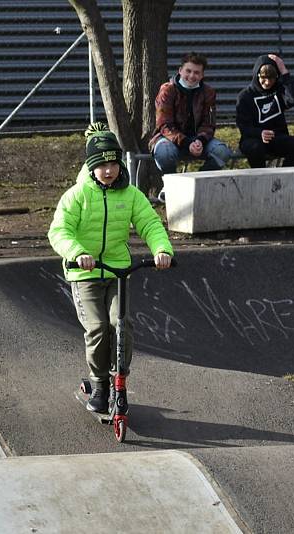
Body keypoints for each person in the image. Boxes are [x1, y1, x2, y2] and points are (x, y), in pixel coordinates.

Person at [48, 122, 174, 413]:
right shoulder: (77, 195)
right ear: (91, 167)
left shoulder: (129, 194)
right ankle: (100, 384)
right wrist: (77, 252)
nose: (108, 170)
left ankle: (120, 380)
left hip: (118, 271)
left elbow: (150, 223)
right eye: (101, 165)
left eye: (113, 163)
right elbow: (59, 231)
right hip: (85, 273)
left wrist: (162, 249)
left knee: (121, 324)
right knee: (97, 328)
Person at [149, 52, 232, 200]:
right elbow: (164, 124)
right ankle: (171, 184)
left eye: (196, 72)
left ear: (202, 75)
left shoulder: (209, 92)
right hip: (169, 138)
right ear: (180, 70)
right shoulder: (167, 90)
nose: (192, 76)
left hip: (198, 139)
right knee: (164, 152)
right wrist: (187, 143)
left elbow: (209, 123)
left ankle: (198, 184)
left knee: (222, 151)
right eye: (188, 71)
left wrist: (200, 140)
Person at [236, 53, 294, 168]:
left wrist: (284, 70)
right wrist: (260, 133)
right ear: (257, 75)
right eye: (263, 78)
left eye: (272, 78)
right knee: (255, 148)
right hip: (254, 139)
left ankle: (282, 176)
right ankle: (262, 178)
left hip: (277, 138)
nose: (268, 82)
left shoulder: (279, 90)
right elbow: (244, 126)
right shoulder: (245, 96)